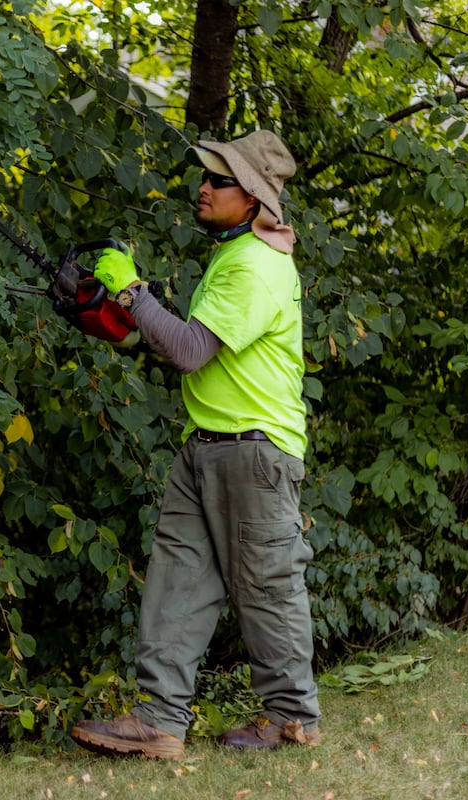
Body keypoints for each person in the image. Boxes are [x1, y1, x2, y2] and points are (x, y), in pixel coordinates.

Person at [70, 130, 320, 760]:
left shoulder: (258, 266)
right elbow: (185, 345)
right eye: (205, 177)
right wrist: (111, 319)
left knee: (267, 586)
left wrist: (132, 292)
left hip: (254, 450)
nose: (203, 188)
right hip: (204, 446)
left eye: (220, 180)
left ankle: (293, 720)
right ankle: (158, 721)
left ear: (255, 199)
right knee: (177, 581)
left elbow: (186, 350)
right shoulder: (232, 257)